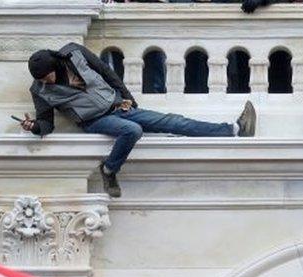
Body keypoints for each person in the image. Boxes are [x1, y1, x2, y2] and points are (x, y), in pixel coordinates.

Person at [22, 43, 256, 197]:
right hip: (94, 121)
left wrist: (128, 98)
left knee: (172, 122)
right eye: (41, 79)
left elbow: (107, 72)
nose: (46, 81)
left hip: (119, 106)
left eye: (47, 76)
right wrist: (34, 127)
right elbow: (46, 123)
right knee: (132, 130)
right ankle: (109, 170)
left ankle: (233, 129)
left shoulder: (75, 53)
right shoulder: (41, 90)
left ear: (56, 66)